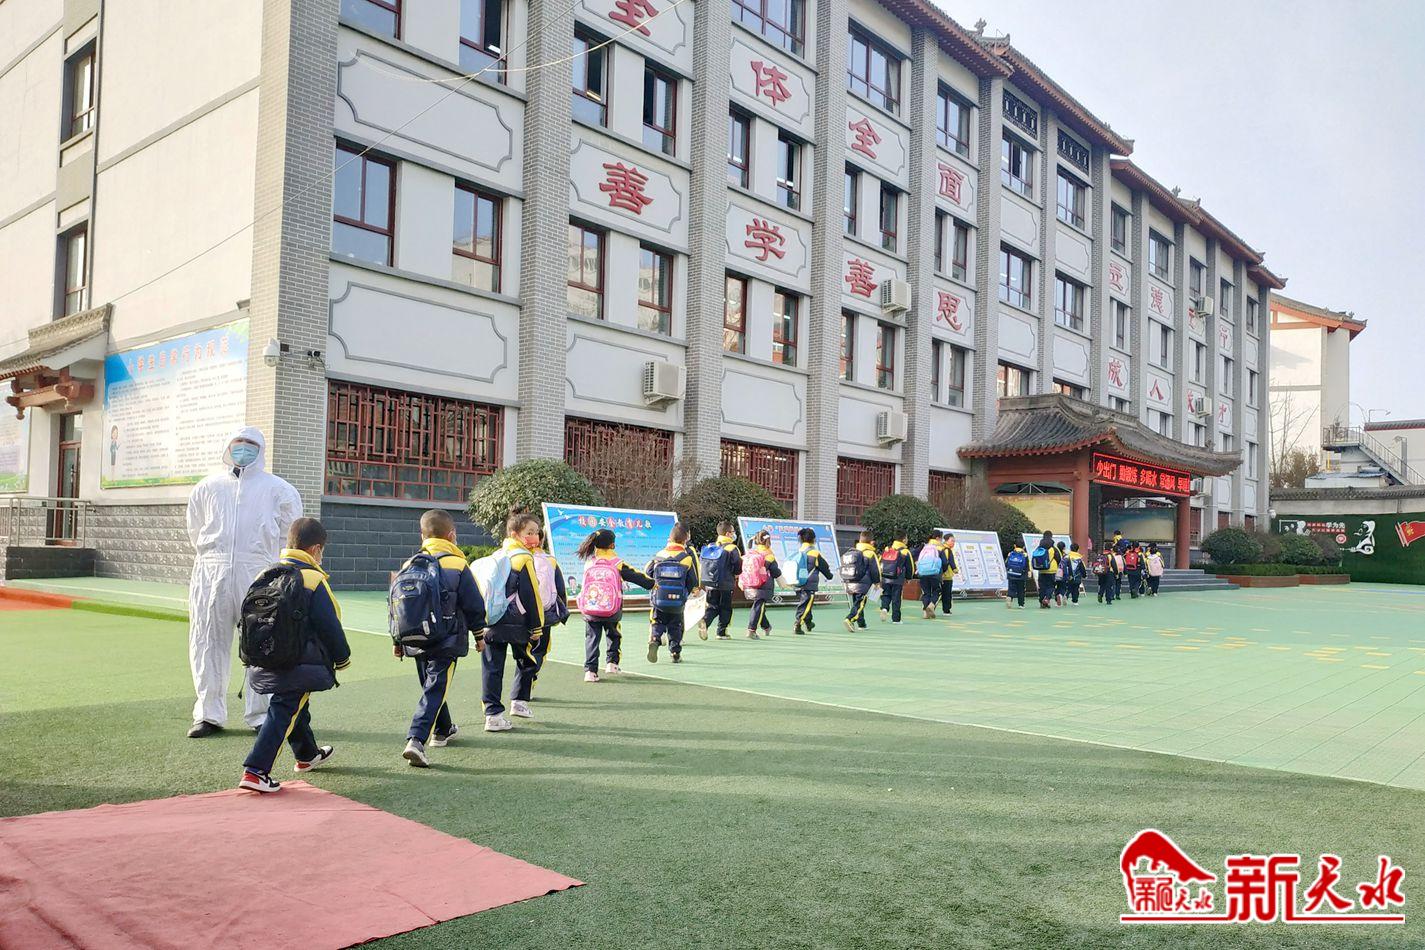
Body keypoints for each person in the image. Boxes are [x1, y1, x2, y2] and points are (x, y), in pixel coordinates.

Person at [187, 427, 302, 738]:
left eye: (250, 444)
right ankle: (208, 714)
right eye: (238, 443)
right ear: (228, 447)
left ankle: (261, 714)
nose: (243, 448)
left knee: (262, 643)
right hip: (211, 573)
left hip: (259, 573)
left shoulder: (279, 490)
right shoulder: (207, 487)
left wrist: (275, 572)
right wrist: (215, 558)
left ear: (261, 449)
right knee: (207, 641)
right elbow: (195, 529)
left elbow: (288, 535)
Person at [239, 518, 349, 793]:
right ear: (315, 549)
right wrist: (342, 657)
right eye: (322, 551)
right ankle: (256, 770)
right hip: (300, 661)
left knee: (294, 704)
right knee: (285, 709)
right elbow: (330, 624)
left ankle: (307, 755)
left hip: (265, 657)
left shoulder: (265, 574)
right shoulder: (313, 579)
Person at [395, 510, 486, 769]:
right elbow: (474, 604)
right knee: (436, 687)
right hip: (447, 638)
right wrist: (479, 635)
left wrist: (397, 641)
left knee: (432, 685)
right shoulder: (458, 564)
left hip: (414, 637)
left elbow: (398, 606)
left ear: (422, 536)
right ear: (452, 535)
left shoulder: (410, 564)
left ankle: (443, 729)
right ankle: (416, 739)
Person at [479, 508, 545, 732]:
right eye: (529, 532)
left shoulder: (497, 555)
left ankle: (492, 715)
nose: (534, 537)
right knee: (527, 660)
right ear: (515, 534)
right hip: (518, 623)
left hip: (492, 620)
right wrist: (537, 626)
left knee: (492, 668)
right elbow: (531, 594)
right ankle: (519, 702)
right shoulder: (523, 558)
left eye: (536, 532)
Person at [574, 528, 654, 682]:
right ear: (612, 545)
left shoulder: (589, 562)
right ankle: (612, 663)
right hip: (611, 609)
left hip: (591, 608)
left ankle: (590, 671)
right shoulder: (617, 562)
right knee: (614, 634)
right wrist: (652, 584)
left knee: (592, 638)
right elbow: (635, 575)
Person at [510, 528, 567, 716]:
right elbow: (559, 589)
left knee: (521, 653)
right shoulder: (550, 560)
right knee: (538, 652)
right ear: (541, 541)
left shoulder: (512, 557)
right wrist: (562, 613)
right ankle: (523, 691)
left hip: (515, 615)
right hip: (542, 615)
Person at [646, 524, 699, 664]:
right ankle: (675, 652)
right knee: (675, 626)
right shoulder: (686, 558)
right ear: (685, 540)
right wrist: (685, 593)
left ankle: (655, 639)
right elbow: (692, 580)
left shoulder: (659, 555)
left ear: (670, 538)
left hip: (659, 598)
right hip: (677, 600)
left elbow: (648, 572)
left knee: (657, 621)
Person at [697, 523, 743, 641]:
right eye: (733, 532)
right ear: (728, 534)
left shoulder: (711, 546)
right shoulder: (732, 548)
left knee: (712, 606)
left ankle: (705, 621)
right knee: (725, 608)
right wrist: (736, 574)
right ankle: (721, 632)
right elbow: (738, 566)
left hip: (709, 583)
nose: (734, 534)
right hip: (725, 583)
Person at [788, 527, 834, 635]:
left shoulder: (798, 552)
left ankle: (809, 623)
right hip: (809, 585)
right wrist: (830, 576)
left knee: (806, 603)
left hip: (798, 583)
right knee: (806, 605)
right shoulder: (814, 553)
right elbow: (824, 568)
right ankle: (797, 624)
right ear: (814, 539)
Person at [740, 530, 781, 639]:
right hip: (763, 585)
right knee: (758, 607)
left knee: (759, 606)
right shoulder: (769, 555)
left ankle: (766, 626)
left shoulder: (751, 553)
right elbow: (775, 572)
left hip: (749, 584)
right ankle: (751, 630)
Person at [840, 530, 880, 632]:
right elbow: (875, 570)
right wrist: (877, 582)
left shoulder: (852, 552)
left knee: (857, 603)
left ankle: (862, 624)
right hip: (863, 584)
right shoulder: (870, 553)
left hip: (851, 581)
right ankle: (849, 619)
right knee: (860, 604)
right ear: (872, 542)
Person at [878, 533, 912, 624]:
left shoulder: (887, 549)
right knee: (896, 598)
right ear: (904, 540)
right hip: (897, 579)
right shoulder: (905, 551)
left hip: (885, 577)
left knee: (886, 595)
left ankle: (884, 608)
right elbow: (910, 566)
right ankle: (896, 619)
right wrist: (908, 578)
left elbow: (880, 562)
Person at [916, 531, 948, 620]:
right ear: (938, 538)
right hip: (935, 573)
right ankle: (931, 605)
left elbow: (916, 556)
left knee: (925, 593)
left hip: (923, 573)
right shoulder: (940, 548)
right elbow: (945, 563)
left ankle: (925, 613)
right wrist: (943, 572)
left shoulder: (924, 547)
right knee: (937, 591)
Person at [1031, 531, 1061, 609]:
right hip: (1052, 570)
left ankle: (1041, 601)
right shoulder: (1053, 548)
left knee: (1042, 587)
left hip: (1041, 570)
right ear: (1051, 537)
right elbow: (1059, 559)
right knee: (1051, 586)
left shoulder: (1039, 548)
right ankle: (1047, 599)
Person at [1005, 541, 1029, 609]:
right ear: (1023, 547)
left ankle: (1009, 597)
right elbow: (1026, 565)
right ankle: (1021, 604)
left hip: (1011, 574)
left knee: (1011, 588)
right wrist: (1028, 573)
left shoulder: (1010, 553)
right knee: (1021, 590)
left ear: (1015, 546)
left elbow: (1006, 564)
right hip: (1021, 575)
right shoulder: (1025, 555)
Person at [939, 533, 959, 615]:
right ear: (946, 540)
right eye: (952, 541)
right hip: (946, 575)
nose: (953, 543)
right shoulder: (947, 550)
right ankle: (946, 610)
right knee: (947, 593)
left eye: (954, 541)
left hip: (939, 575)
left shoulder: (940, 548)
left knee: (938, 593)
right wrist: (955, 569)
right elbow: (949, 562)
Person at [1053, 541, 1069, 606]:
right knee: (1063, 587)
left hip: (1055, 572)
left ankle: (1057, 600)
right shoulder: (1066, 556)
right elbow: (1069, 566)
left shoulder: (1055, 553)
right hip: (1064, 573)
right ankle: (1060, 595)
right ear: (1064, 548)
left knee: (1057, 586)